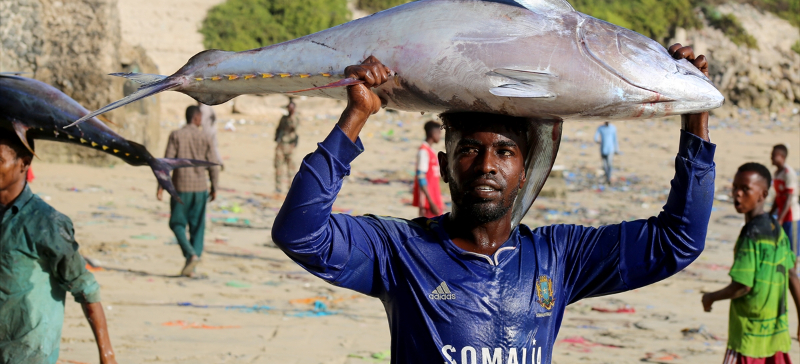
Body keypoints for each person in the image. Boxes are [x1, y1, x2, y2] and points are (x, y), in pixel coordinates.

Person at [272, 44, 715, 363]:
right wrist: (356, 115)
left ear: (525, 171)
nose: (486, 165)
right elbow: (299, 233)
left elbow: (677, 241)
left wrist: (695, 115)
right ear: (445, 166)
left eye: (504, 152)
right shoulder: (400, 250)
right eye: (469, 150)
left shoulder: (558, 257)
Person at [0, 129, 117, 364]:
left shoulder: (46, 223)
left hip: (27, 353)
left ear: (24, 163)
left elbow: (84, 287)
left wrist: (107, 355)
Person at [702, 163, 800, 364]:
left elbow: (743, 286)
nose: (737, 194)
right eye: (735, 187)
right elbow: (792, 275)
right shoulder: (776, 229)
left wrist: (710, 297)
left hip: (748, 336)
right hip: (775, 335)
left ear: (762, 195)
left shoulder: (750, 236)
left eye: (745, 189)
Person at [160, 105, 220, 277]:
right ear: (196, 118)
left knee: (177, 224)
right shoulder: (205, 137)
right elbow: (213, 165)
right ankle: (192, 264)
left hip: (181, 187)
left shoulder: (176, 135)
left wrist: (161, 185)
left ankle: (190, 254)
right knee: (197, 228)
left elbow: (166, 163)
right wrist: (214, 187)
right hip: (200, 188)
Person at [769, 144, 799, 258]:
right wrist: (770, 214)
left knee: (793, 251)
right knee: (782, 248)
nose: (771, 157)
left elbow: (788, 199)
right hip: (781, 216)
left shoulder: (788, 173)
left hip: (791, 217)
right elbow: (778, 197)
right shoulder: (777, 173)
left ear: (781, 156)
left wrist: (780, 219)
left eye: (773, 155)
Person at [413, 121, 444, 217]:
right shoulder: (423, 152)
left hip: (435, 196)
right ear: (433, 133)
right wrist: (431, 202)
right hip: (428, 201)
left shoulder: (431, 151)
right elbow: (421, 177)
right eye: (439, 133)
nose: (440, 136)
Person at [274, 99, 299, 193]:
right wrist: (277, 137)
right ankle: (278, 187)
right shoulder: (283, 118)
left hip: (290, 147)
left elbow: (294, 127)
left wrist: (292, 114)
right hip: (281, 145)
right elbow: (278, 128)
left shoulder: (295, 118)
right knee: (278, 167)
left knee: (291, 169)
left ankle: (290, 188)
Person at [198, 102, 223, 168]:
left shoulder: (202, 109)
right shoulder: (208, 106)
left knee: (209, 148)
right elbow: (214, 117)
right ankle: (220, 162)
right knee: (214, 147)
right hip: (213, 129)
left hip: (207, 132)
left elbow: (201, 122)